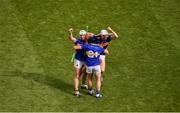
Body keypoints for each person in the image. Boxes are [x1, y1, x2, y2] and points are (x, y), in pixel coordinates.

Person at [68, 28, 87, 97]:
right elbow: (71, 38)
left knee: (85, 72)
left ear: (85, 35)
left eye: (83, 35)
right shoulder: (78, 40)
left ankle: (83, 84)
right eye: (81, 35)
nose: (82, 36)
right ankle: (76, 91)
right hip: (78, 59)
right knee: (77, 75)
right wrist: (70, 32)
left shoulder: (88, 41)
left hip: (85, 60)